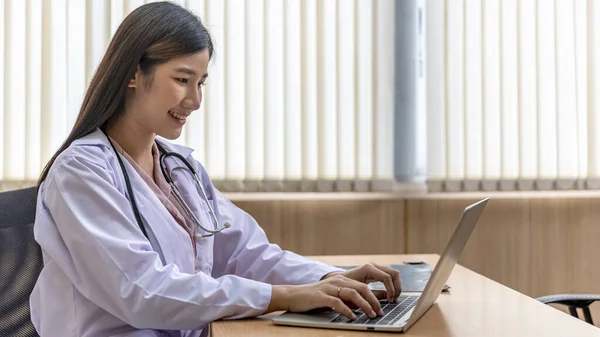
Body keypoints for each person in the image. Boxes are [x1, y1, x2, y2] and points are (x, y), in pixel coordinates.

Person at [30, 2, 401, 336]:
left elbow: (244, 252)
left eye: (201, 83)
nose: (194, 101)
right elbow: (141, 289)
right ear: (132, 73)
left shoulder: (180, 168)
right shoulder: (80, 172)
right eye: (182, 80)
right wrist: (285, 295)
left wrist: (328, 278)